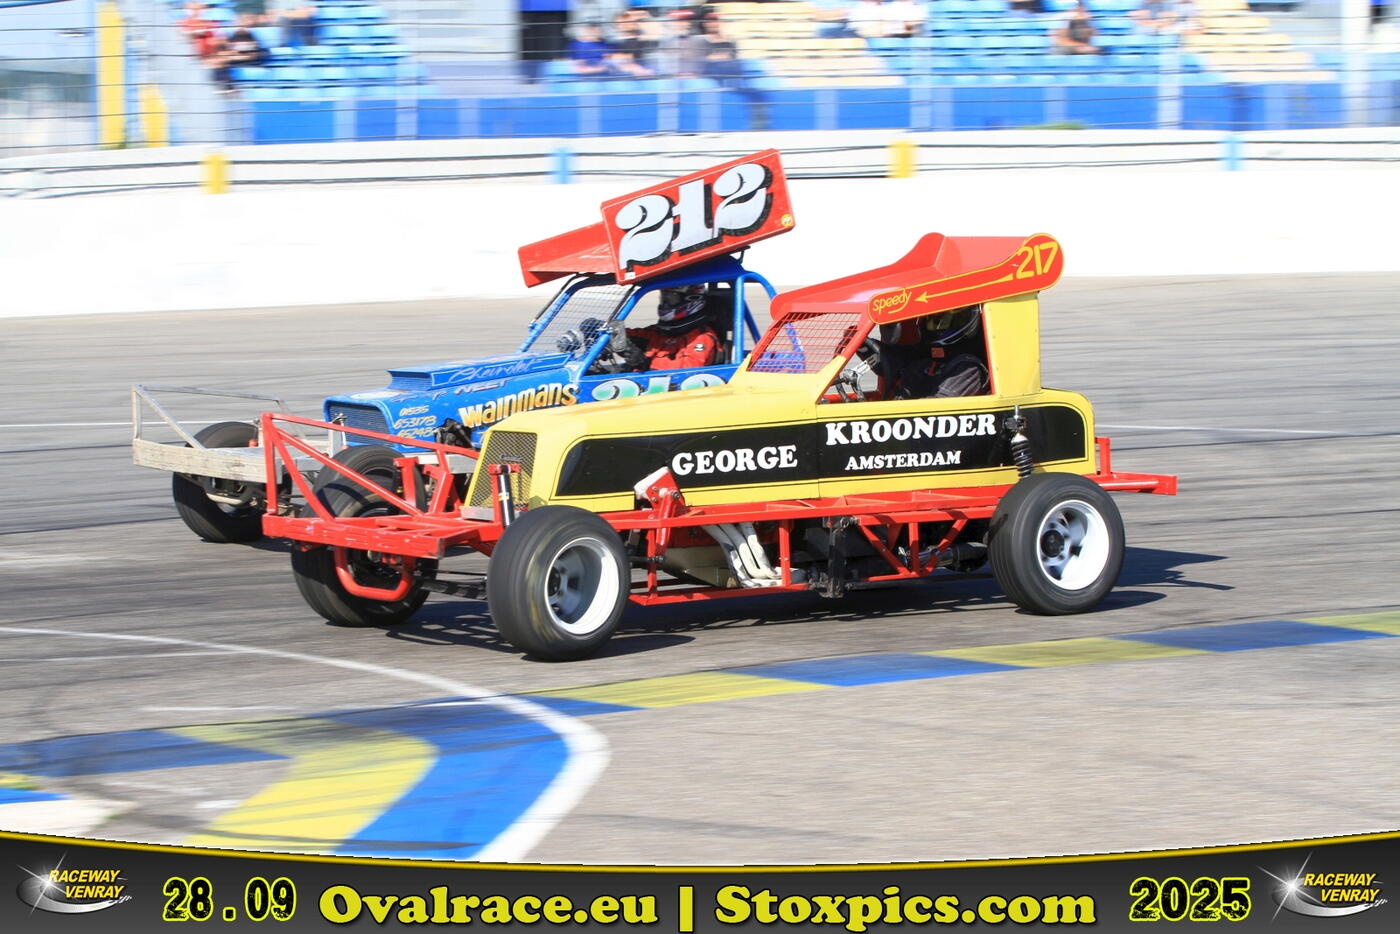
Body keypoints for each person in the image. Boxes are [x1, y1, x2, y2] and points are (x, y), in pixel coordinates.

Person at [879, 305, 988, 399]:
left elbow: (939, 407)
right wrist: (869, 351)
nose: (938, 326)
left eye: (943, 321)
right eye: (934, 321)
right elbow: (893, 363)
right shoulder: (923, 360)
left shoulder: (968, 368)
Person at [623, 285, 721, 371]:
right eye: (664, 299)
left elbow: (688, 369)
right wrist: (617, 336)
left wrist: (645, 362)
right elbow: (637, 334)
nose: (666, 305)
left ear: (692, 300)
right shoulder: (662, 332)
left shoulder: (702, 337)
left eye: (671, 300)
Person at [700, 17, 769, 129]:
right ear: (705, 24)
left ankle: (758, 124)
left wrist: (720, 57)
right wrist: (721, 57)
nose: (714, 24)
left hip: (734, 75)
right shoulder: (702, 41)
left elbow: (733, 56)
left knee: (758, 93)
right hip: (715, 77)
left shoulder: (729, 40)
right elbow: (704, 59)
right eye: (711, 21)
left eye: (716, 21)